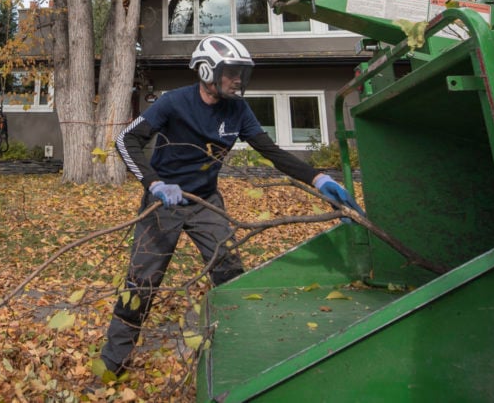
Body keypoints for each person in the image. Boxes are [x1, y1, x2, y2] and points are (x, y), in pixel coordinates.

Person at [99, 34, 362, 376]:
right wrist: (155, 183)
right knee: (141, 283)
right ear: (208, 70)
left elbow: (272, 152)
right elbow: (126, 140)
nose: (238, 79)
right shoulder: (173, 102)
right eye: (232, 71)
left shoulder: (238, 110)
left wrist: (318, 179)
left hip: (205, 202)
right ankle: (111, 364)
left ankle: (241, 350)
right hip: (164, 202)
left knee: (230, 274)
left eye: (242, 72)